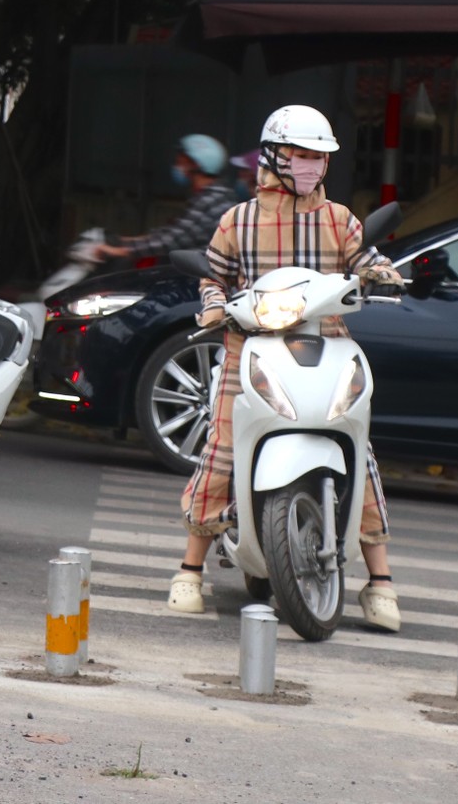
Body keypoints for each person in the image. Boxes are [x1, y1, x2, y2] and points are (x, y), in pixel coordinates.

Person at [167, 104, 406, 631]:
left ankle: (380, 580)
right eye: (301, 155)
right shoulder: (238, 220)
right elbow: (215, 276)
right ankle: (189, 570)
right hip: (251, 345)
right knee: (223, 448)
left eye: (319, 157)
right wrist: (211, 302)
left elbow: (361, 258)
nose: (312, 166)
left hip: (327, 343)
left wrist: (380, 270)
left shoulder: (339, 219)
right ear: (274, 155)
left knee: (358, 450)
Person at [98, 134, 236, 261]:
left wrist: (120, 251)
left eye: (180, 161)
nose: (177, 165)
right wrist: (125, 240)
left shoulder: (210, 200)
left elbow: (171, 241)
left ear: (195, 164)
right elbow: (174, 231)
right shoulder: (216, 195)